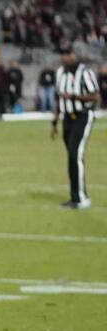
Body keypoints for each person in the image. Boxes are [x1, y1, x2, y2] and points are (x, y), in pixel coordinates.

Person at [51, 45, 98, 209]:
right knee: (72, 156)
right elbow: (58, 98)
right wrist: (54, 122)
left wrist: (73, 96)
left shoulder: (85, 72)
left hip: (83, 116)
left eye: (67, 54)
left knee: (74, 154)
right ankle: (76, 196)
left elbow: (95, 96)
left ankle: (81, 199)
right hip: (67, 118)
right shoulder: (60, 73)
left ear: (74, 55)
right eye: (62, 54)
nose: (64, 57)